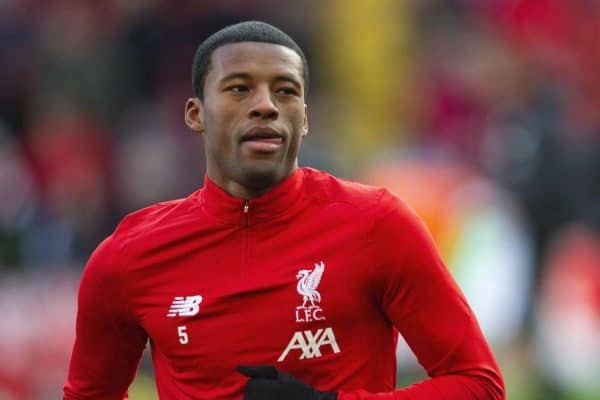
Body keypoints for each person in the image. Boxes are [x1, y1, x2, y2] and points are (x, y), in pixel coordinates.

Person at [63, 21, 505, 400]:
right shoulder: (128, 257)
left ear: (305, 118)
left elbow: (479, 385)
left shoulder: (377, 224)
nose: (265, 105)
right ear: (196, 114)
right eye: (239, 88)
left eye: (285, 91)